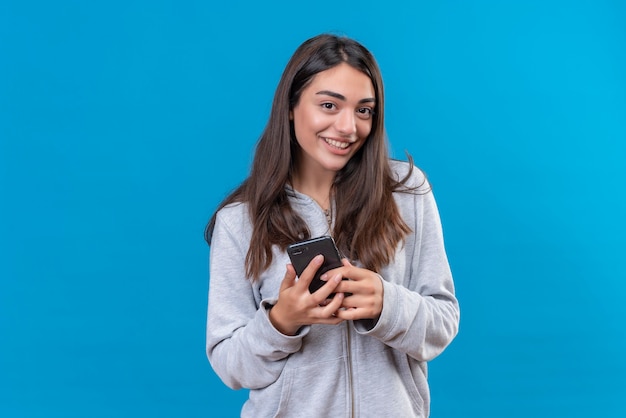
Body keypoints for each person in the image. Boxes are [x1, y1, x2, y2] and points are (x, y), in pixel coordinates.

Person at [205, 33, 459, 417]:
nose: (348, 127)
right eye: (329, 105)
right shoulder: (239, 221)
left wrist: (386, 304)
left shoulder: (408, 193)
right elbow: (230, 364)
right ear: (291, 106)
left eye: (364, 110)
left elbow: (442, 322)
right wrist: (281, 321)